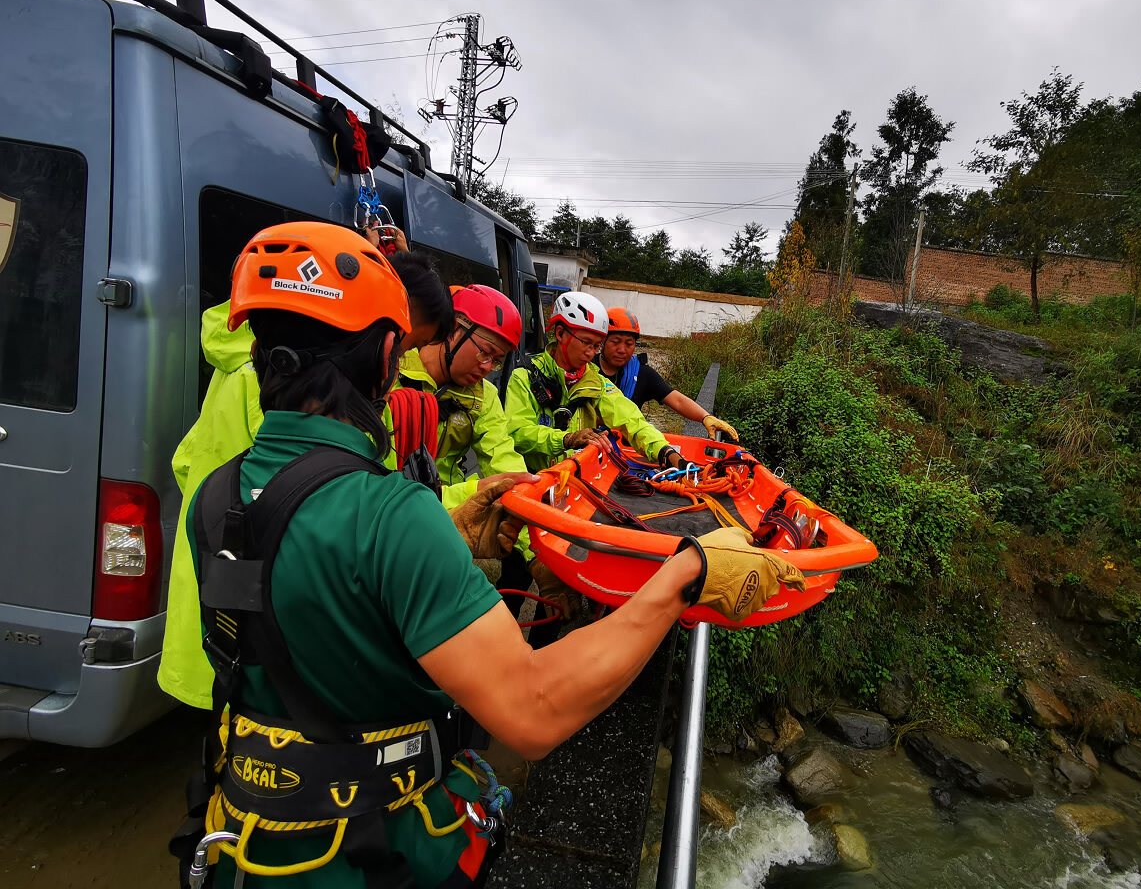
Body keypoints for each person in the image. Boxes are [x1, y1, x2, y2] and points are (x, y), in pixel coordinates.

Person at [177, 220, 804, 887]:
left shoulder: (215, 495)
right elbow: (532, 710)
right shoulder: (390, 513)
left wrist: (449, 531)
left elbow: (311, 608)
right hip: (373, 852)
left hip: (246, 844)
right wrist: (688, 574)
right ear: (391, 351)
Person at [158, 227, 470, 711]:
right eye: (405, 346)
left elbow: (189, 465)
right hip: (257, 629)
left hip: (220, 608)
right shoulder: (311, 393)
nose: (399, 365)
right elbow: (339, 507)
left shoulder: (261, 368)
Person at [503, 291, 690, 633]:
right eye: (586, 343)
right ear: (559, 333)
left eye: (596, 345)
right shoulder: (525, 378)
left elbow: (632, 420)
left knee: (562, 589)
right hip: (529, 494)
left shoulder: (596, 384)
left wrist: (665, 452)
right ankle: (496, 646)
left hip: (571, 499)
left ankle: (542, 660)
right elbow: (515, 433)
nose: (592, 353)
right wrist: (565, 438)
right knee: (514, 574)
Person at [398, 283, 528, 511]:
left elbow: (500, 454)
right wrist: (475, 492)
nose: (488, 367)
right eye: (485, 352)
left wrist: (526, 500)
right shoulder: (393, 375)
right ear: (452, 330)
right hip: (395, 512)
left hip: (449, 511)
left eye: (497, 360)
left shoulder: (484, 395)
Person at [596, 307, 739, 442]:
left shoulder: (641, 373)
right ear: (602, 341)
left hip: (623, 449)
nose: (622, 350)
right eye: (615, 342)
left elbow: (677, 400)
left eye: (629, 344)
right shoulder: (587, 368)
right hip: (586, 446)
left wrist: (705, 417)